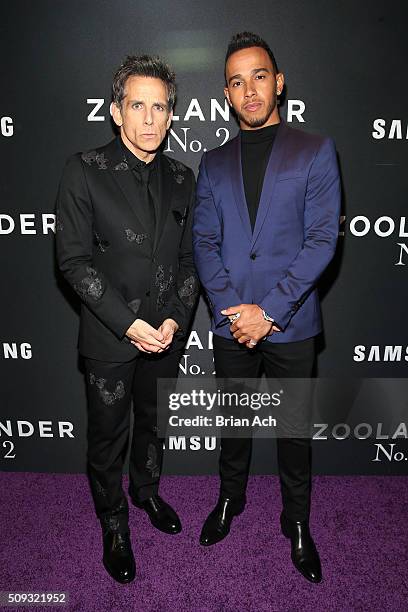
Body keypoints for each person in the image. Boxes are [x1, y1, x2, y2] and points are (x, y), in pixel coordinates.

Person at [193, 32, 340, 583]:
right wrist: (235, 311)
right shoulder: (211, 164)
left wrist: (270, 311)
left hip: (292, 322)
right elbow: (204, 244)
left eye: (258, 76)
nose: (249, 89)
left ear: (278, 82)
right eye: (236, 81)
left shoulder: (315, 149)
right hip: (233, 325)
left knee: (293, 431)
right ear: (227, 94)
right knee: (234, 425)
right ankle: (230, 500)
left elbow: (322, 239)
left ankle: (297, 521)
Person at [55, 54, 199, 584]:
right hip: (111, 339)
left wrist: (176, 322)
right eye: (137, 105)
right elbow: (72, 260)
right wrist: (126, 323)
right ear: (116, 112)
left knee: (153, 427)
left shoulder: (185, 177)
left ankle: (147, 494)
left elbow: (190, 261)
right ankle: (113, 522)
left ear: (170, 114)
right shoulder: (84, 169)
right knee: (108, 435)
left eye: (159, 107)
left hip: (166, 337)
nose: (149, 119)